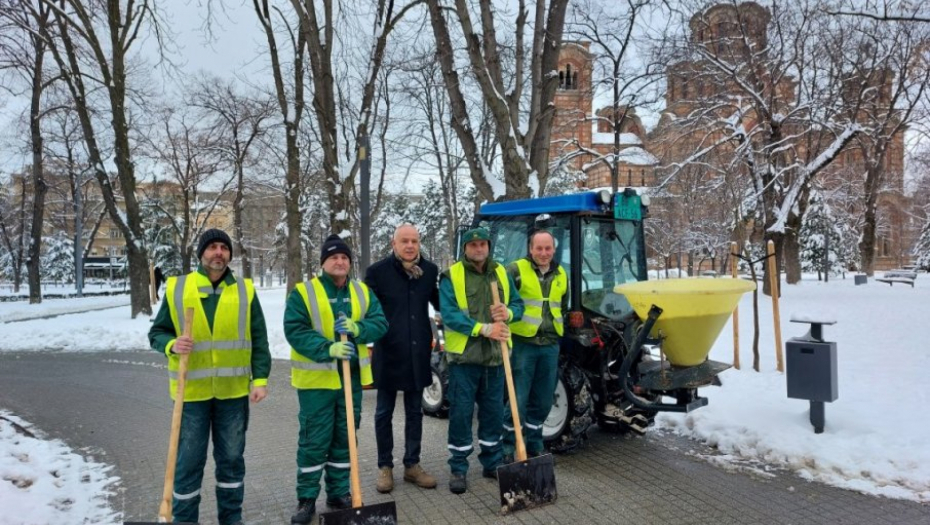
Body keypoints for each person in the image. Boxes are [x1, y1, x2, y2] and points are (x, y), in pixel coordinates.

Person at [148, 228, 271, 525]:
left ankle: (231, 519)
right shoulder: (178, 288)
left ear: (229, 254)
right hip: (191, 396)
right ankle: (185, 520)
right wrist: (171, 344)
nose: (219, 252)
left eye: (224, 248)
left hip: (233, 395)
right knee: (188, 463)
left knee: (231, 462)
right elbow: (157, 333)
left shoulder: (245, 290)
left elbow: (259, 338)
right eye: (213, 247)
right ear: (202, 253)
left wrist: (260, 379)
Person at [284, 234, 388, 525]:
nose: (340, 261)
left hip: (350, 381)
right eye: (334, 257)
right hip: (316, 383)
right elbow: (295, 328)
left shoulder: (362, 292)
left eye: (344, 257)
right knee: (314, 442)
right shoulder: (304, 293)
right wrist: (326, 348)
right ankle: (306, 499)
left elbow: (381, 322)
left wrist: (358, 327)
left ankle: (339, 492)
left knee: (345, 439)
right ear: (323, 263)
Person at [439, 227, 523, 494]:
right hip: (464, 360)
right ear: (465, 249)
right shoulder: (452, 276)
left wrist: (508, 312)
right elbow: (450, 315)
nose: (478, 249)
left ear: (488, 246)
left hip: (496, 360)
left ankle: (492, 462)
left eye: (482, 244)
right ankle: (459, 468)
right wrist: (484, 329)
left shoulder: (502, 273)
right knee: (461, 415)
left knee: (492, 415)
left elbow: (519, 306)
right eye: (473, 245)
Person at [364, 224, 440, 493]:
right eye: (404, 241)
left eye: (414, 241)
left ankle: (412, 465)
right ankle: (385, 466)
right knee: (383, 413)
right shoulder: (377, 273)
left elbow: (441, 303)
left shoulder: (429, 272)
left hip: (417, 353)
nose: (410, 245)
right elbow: (365, 310)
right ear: (393, 244)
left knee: (414, 413)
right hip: (388, 352)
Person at [503, 230, 568, 462]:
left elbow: (562, 306)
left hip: (549, 345)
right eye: (539, 248)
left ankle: (534, 443)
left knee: (542, 400)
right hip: (523, 345)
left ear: (553, 249)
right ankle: (509, 447)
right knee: (518, 399)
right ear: (531, 249)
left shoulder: (561, 273)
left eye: (547, 248)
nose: (543, 253)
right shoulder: (515, 270)